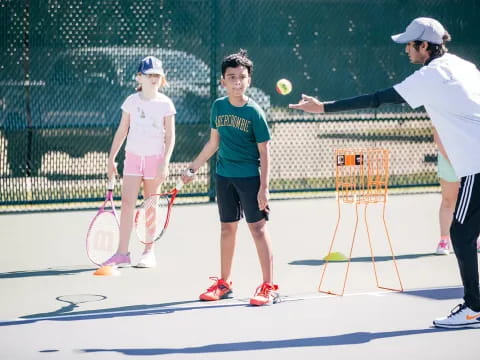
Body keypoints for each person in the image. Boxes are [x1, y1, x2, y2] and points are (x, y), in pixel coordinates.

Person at [289, 17, 480, 328]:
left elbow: (377, 99)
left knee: (460, 233)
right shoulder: (463, 65)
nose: (406, 49)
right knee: (464, 232)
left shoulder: (431, 76)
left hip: (477, 165)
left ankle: (474, 307)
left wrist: (323, 107)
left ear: (425, 46)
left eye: (410, 43)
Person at [181, 49, 279, 306]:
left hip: (249, 179)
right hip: (224, 176)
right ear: (222, 81)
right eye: (231, 77)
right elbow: (214, 143)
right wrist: (193, 168)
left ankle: (268, 286)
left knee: (258, 229)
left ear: (249, 80)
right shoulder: (218, 107)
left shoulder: (254, 112)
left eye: (242, 77)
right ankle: (224, 283)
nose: (237, 81)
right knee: (227, 228)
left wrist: (264, 188)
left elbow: (264, 151)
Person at [103, 56, 176, 268]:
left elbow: (170, 137)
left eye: (157, 75)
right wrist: (111, 159)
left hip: (155, 160)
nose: (153, 78)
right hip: (133, 158)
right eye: (149, 74)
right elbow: (122, 130)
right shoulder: (131, 102)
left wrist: (165, 163)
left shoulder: (166, 104)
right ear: (139, 77)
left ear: (162, 78)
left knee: (150, 206)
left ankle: (148, 251)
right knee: (127, 205)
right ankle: (122, 253)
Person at [433, 128, 459, 255]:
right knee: (448, 201)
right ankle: (444, 240)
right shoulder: (442, 108)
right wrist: (452, 159)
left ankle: (476, 238)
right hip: (448, 159)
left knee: (475, 201)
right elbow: (437, 135)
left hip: (472, 160)